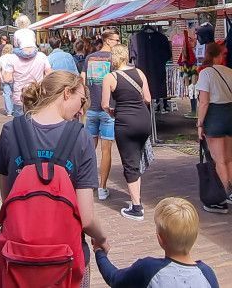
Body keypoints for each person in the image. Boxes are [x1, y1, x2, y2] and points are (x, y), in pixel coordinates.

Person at [0, 70, 108, 286]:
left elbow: (7, 200)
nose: (81, 109)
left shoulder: (10, 130)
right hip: (65, 258)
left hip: (17, 257)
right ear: (66, 93)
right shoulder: (80, 137)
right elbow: (87, 218)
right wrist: (101, 239)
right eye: (81, 100)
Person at [94, 197, 219, 287]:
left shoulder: (148, 269)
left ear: (160, 239)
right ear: (195, 236)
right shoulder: (208, 274)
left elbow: (114, 279)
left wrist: (100, 253)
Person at [101, 44, 152, 221]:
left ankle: (136, 208)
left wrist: (112, 113)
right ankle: (136, 198)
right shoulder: (140, 73)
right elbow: (148, 98)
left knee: (130, 164)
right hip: (144, 121)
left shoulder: (110, 77)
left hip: (125, 123)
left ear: (113, 58)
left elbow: (105, 104)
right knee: (136, 160)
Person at [84, 28, 120, 201]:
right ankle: (102, 187)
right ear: (107, 40)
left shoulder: (89, 58)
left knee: (89, 149)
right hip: (108, 109)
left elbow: (83, 80)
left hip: (92, 109)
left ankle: (87, 183)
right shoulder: (114, 60)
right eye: (115, 40)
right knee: (106, 151)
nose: (117, 43)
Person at [197, 42, 232, 213]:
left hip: (214, 116)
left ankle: (226, 192)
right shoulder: (230, 71)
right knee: (229, 158)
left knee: (218, 160)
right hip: (229, 114)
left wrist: (199, 123)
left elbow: (204, 102)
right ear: (219, 55)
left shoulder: (205, 74)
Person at [10, 29, 51, 117]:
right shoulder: (42, 56)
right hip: (37, 94)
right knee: (37, 126)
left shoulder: (12, 58)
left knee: (19, 127)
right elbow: (49, 74)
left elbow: (7, 78)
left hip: (19, 96)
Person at [0, 43, 14, 116]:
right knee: (14, 94)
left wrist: (1, 78)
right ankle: (13, 109)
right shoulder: (14, 57)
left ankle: (9, 111)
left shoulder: (1, 58)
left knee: (6, 95)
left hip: (4, 77)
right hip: (13, 77)